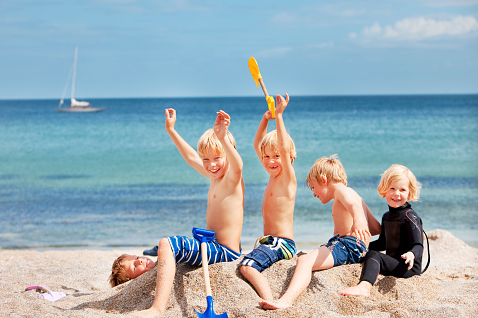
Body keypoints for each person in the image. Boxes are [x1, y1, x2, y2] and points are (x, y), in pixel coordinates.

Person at [133, 108, 244, 316]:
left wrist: (222, 136)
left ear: (229, 153)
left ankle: (157, 309)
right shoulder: (215, 176)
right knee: (165, 250)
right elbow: (192, 158)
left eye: (217, 157)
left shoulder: (231, 179)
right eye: (206, 160)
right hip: (211, 245)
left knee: (167, 243)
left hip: (224, 251)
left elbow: (238, 165)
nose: (211, 165)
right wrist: (171, 130)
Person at [259, 155, 381, 310]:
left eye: (313, 187)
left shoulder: (341, 191)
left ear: (324, 179)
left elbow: (354, 207)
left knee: (304, 261)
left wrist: (358, 222)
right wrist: (361, 228)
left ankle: (286, 301)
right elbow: (376, 227)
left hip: (348, 245)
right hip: (353, 246)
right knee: (311, 257)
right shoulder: (355, 195)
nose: (314, 193)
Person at [240, 93, 297, 301]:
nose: (271, 160)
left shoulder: (287, 178)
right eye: (266, 157)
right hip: (269, 241)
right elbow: (257, 144)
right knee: (248, 262)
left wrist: (280, 116)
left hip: (283, 243)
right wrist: (266, 118)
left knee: (247, 267)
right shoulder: (272, 176)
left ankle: (268, 299)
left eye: (277, 157)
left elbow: (283, 146)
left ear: (290, 158)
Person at [338, 164, 424, 297]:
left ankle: (364, 287)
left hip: (408, 267)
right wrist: (360, 244)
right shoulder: (386, 216)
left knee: (375, 256)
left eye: (402, 189)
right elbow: (382, 244)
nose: (396, 193)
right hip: (393, 262)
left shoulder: (410, 216)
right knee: (367, 253)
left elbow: (418, 245)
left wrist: (412, 254)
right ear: (384, 190)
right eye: (392, 188)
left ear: (410, 193)